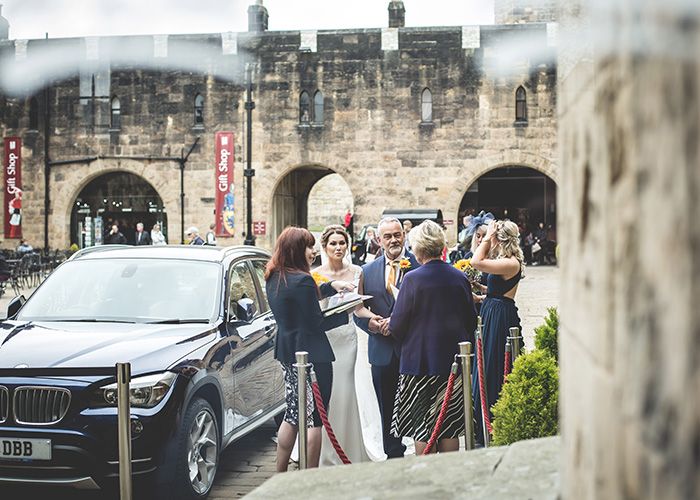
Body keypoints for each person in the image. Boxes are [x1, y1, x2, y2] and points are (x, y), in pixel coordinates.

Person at [264, 226, 354, 472]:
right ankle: (310, 475)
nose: (313, 251)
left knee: (292, 413)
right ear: (296, 249)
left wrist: (330, 286)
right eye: (309, 246)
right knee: (315, 418)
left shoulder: (274, 275)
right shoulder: (302, 279)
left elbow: (299, 300)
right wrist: (346, 312)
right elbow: (316, 322)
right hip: (312, 355)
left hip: (287, 352)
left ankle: (280, 472)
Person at [387, 220, 477, 455]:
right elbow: (471, 321)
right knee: (450, 426)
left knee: (423, 428)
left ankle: (427, 480)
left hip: (419, 364)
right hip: (453, 364)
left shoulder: (413, 279)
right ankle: (449, 478)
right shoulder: (459, 277)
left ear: (419, 249)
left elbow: (397, 325)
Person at [314, 225, 386, 466]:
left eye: (342, 243)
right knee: (327, 393)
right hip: (324, 339)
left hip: (347, 338)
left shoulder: (357, 271)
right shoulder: (316, 275)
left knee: (345, 390)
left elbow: (359, 308)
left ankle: (348, 448)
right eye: (333, 243)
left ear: (348, 245)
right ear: (324, 247)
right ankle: (324, 452)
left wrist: (371, 317)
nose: (338, 248)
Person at [354, 217, 420, 459]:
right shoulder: (367, 271)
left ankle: (422, 450)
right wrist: (370, 323)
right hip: (381, 351)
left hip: (412, 348)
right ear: (379, 240)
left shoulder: (419, 265)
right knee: (387, 407)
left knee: (416, 405)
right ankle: (393, 454)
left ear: (404, 236)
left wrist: (399, 323)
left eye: (398, 234)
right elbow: (357, 310)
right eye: (388, 236)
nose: (394, 240)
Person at [469, 220, 524, 446]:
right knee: (485, 363)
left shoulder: (511, 263)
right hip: (492, 310)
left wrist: (486, 238)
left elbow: (476, 261)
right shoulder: (503, 262)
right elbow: (498, 289)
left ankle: (493, 425)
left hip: (500, 317)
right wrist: (481, 293)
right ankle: (482, 423)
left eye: (494, 238)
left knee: (493, 365)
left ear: (501, 239)